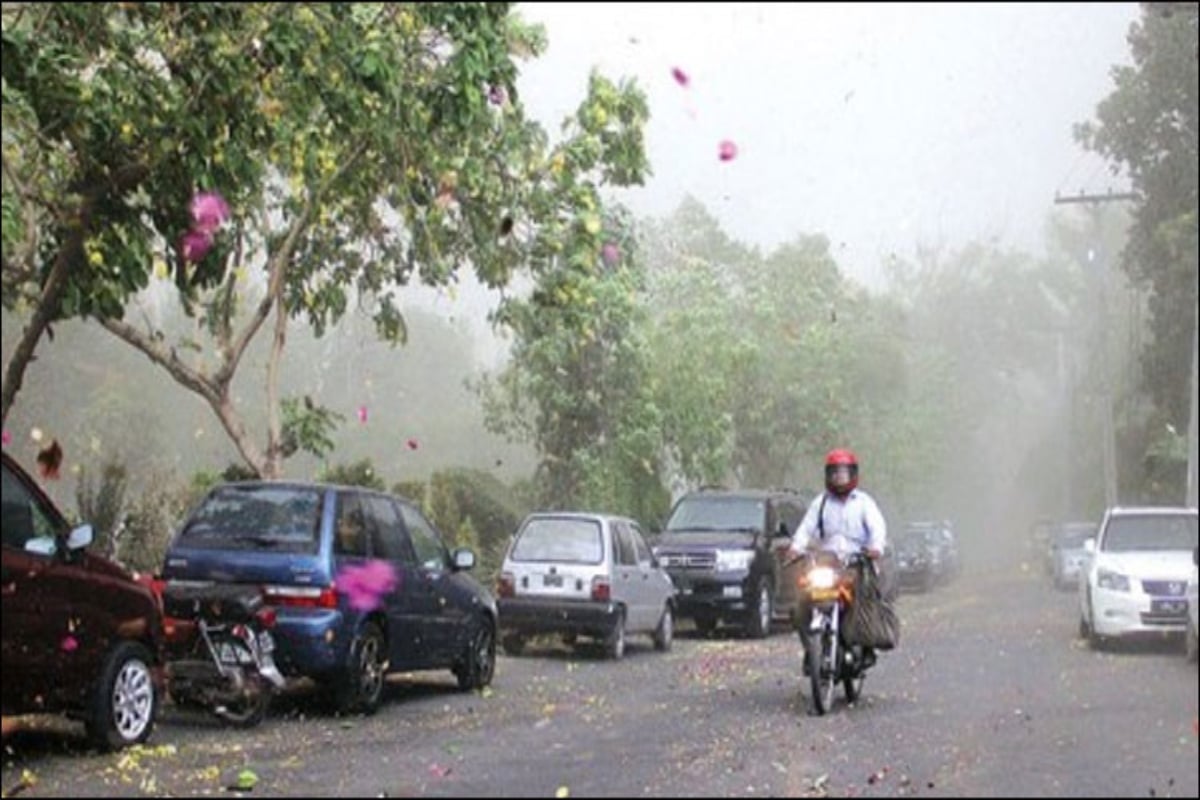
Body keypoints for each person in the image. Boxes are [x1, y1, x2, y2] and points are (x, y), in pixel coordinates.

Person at [784, 448, 890, 668]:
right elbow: (805, 529)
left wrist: (875, 547)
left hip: (856, 563)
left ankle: (865, 648)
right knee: (801, 605)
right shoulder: (820, 503)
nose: (839, 478)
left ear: (853, 474)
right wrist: (796, 548)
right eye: (835, 473)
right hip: (827, 563)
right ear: (828, 475)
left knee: (864, 602)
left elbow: (877, 527)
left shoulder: (863, 502)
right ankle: (811, 650)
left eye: (844, 473)